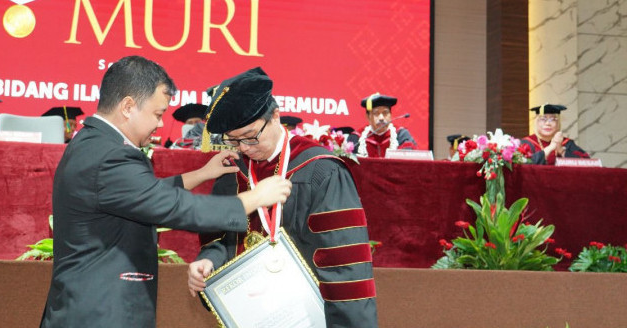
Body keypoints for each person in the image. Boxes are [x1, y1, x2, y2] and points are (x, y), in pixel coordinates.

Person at [40, 56, 291, 328]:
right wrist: (255, 198)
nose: (161, 124)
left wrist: (201, 174)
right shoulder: (110, 156)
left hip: (87, 307)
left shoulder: (92, 143)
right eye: (158, 114)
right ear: (127, 106)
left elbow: (140, 198)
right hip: (101, 313)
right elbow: (172, 207)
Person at [188, 67, 378, 327]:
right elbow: (222, 240)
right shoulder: (232, 173)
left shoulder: (321, 171)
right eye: (233, 140)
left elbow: (345, 269)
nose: (244, 148)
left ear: (276, 116)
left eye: (250, 136)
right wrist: (208, 262)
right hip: (251, 314)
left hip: (310, 318)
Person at [347, 93, 416, 158]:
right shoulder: (356, 138)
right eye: (376, 113)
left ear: (391, 115)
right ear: (368, 117)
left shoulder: (401, 135)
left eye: (385, 113)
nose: (381, 118)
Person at [521, 104, 590, 165]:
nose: (548, 123)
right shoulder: (526, 143)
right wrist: (551, 147)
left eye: (553, 119)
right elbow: (523, 164)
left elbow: (587, 162)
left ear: (558, 123)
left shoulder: (567, 143)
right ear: (536, 122)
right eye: (543, 119)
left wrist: (561, 150)